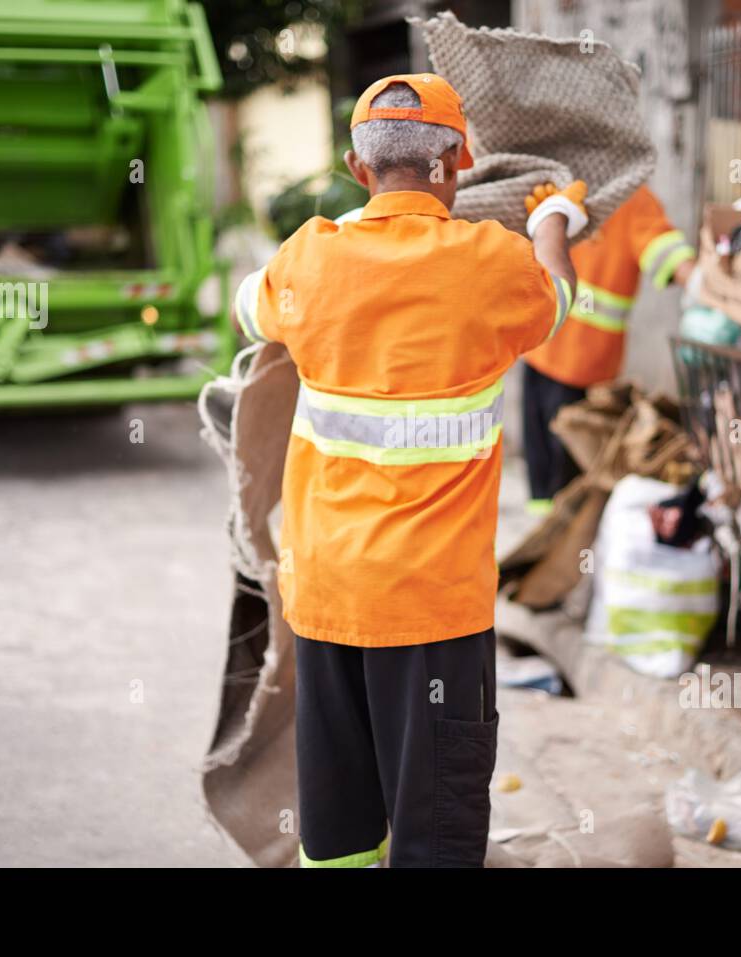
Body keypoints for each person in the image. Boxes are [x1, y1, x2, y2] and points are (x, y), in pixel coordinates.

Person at [230, 73, 585, 867]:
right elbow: (559, 292)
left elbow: (246, 306)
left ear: (358, 169)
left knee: (340, 834)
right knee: (435, 836)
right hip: (433, 613)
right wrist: (557, 218)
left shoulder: (311, 257)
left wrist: (355, 227)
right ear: (456, 161)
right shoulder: (493, 264)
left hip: (324, 601)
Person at [520, 185, 697, 511]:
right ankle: (544, 544)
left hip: (582, 362)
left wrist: (700, 281)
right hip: (540, 347)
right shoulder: (560, 178)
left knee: (565, 472)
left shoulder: (630, 197)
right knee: (542, 472)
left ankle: (560, 541)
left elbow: (661, 247)